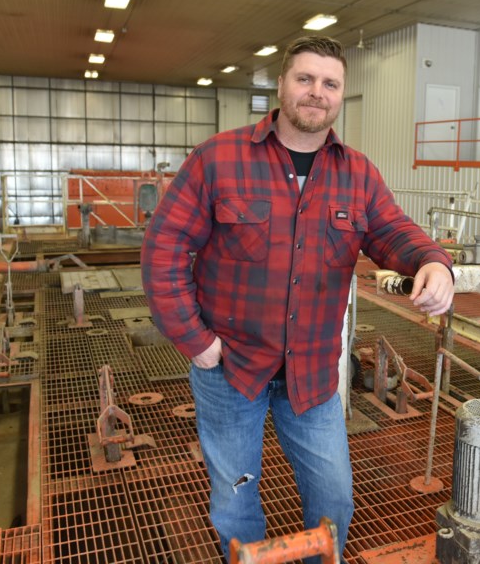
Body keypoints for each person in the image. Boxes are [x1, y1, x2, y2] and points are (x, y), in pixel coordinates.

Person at [141, 35, 454, 562]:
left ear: (341, 95)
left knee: (334, 499)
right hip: (229, 368)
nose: (317, 92)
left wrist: (433, 262)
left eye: (330, 83)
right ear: (282, 84)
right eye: (305, 79)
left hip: (311, 373)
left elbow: (393, 230)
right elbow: (163, 249)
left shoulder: (357, 173)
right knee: (235, 502)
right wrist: (195, 340)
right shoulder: (219, 158)